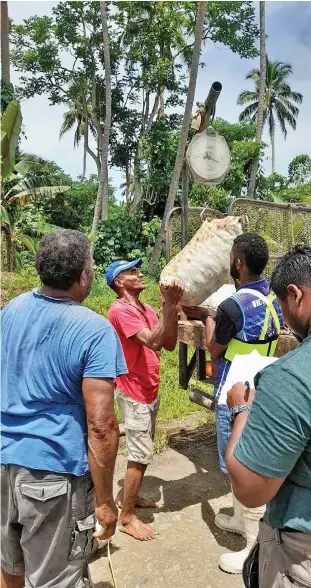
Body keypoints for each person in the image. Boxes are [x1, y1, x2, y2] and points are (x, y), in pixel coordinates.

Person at [1, 230, 127, 588]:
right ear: (84, 275)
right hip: (52, 477)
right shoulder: (94, 330)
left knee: (11, 567)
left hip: (4, 464)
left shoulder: (12, 310)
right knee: (56, 580)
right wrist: (104, 501)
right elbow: (101, 426)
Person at [226, 245, 311, 587]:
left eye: (282, 307)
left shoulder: (294, 376)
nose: (284, 321)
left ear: (295, 295)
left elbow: (250, 489)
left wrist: (241, 410)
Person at [184, 233, 283, 574]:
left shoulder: (231, 305)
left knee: (237, 463)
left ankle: (252, 549)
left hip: (234, 389)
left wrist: (210, 317)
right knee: (257, 455)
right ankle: (242, 521)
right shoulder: (274, 295)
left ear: (237, 262)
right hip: (264, 383)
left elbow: (214, 348)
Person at [106, 259, 183, 541]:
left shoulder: (146, 309)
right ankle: (126, 517)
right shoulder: (119, 310)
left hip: (149, 388)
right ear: (118, 282)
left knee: (144, 448)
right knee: (139, 455)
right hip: (133, 391)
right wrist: (168, 307)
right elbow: (152, 341)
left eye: (138, 270)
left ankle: (132, 497)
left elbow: (169, 343)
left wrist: (170, 308)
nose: (139, 274)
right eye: (131, 272)